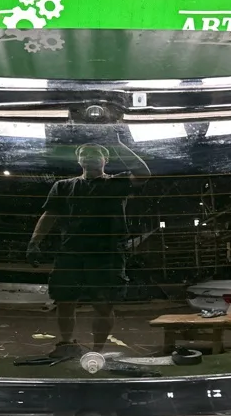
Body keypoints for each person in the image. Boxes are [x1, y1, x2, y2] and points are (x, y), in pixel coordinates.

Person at [27, 137, 151, 358]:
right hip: (71, 251)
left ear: (106, 159)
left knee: (103, 304)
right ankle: (66, 344)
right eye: (84, 153)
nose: (89, 156)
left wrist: (118, 144)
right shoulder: (63, 186)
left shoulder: (117, 182)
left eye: (96, 153)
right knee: (65, 301)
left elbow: (143, 173)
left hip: (107, 253)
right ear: (78, 161)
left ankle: (97, 352)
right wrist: (34, 242)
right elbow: (49, 215)